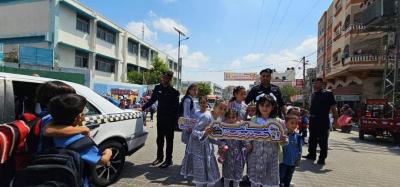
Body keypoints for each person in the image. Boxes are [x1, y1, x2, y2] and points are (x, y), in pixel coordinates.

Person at [47, 94, 112, 187]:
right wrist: (108, 152)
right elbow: (102, 161)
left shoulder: (45, 127)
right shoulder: (80, 142)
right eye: (84, 111)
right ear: (79, 116)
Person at [180, 96, 221, 187]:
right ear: (199, 103)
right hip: (196, 145)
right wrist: (197, 131)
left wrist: (218, 142)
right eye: (201, 102)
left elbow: (212, 131)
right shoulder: (195, 113)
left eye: (204, 102)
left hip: (207, 146)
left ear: (207, 103)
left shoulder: (210, 114)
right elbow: (190, 128)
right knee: (199, 169)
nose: (203, 104)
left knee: (209, 167)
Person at [142, 71, 180, 168]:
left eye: (167, 78)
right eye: (164, 78)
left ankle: (168, 160)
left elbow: (176, 109)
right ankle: (159, 158)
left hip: (170, 120)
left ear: (170, 79)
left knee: (169, 141)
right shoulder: (158, 88)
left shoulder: (174, 92)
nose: (165, 80)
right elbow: (152, 100)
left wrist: (176, 122)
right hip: (160, 118)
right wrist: (142, 108)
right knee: (159, 140)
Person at [247, 94, 287, 187]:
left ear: (272, 106)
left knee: (269, 183)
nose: (264, 108)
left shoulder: (278, 122)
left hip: (271, 159)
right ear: (258, 106)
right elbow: (248, 136)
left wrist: (283, 139)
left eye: (267, 105)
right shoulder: (253, 119)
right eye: (262, 105)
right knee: (255, 182)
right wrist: (248, 144)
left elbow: (285, 141)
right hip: (255, 157)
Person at [303, 78, 338, 165]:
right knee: (312, 139)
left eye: (317, 83)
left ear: (322, 84)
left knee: (323, 141)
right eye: (313, 83)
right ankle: (311, 154)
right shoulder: (314, 94)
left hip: (322, 120)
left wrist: (336, 120)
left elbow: (334, 108)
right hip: (313, 120)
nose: (314, 85)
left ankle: (322, 159)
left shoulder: (328, 93)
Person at [220, 109, 248, 187]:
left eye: (233, 117)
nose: (231, 119)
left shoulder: (241, 128)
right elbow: (220, 140)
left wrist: (246, 145)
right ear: (226, 118)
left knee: (237, 179)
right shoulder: (223, 128)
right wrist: (223, 145)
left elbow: (244, 142)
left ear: (237, 117)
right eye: (229, 117)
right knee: (226, 177)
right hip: (227, 156)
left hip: (238, 157)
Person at [280, 114, 303, 187]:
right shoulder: (282, 135)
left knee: (288, 178)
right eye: (292, 123)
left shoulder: (298, 136)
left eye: (296, 123)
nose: (294, 125)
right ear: (286, 123)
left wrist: (298, 160)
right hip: (282, 162)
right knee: (280, 178)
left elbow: (300, 149)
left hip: (292, 163)